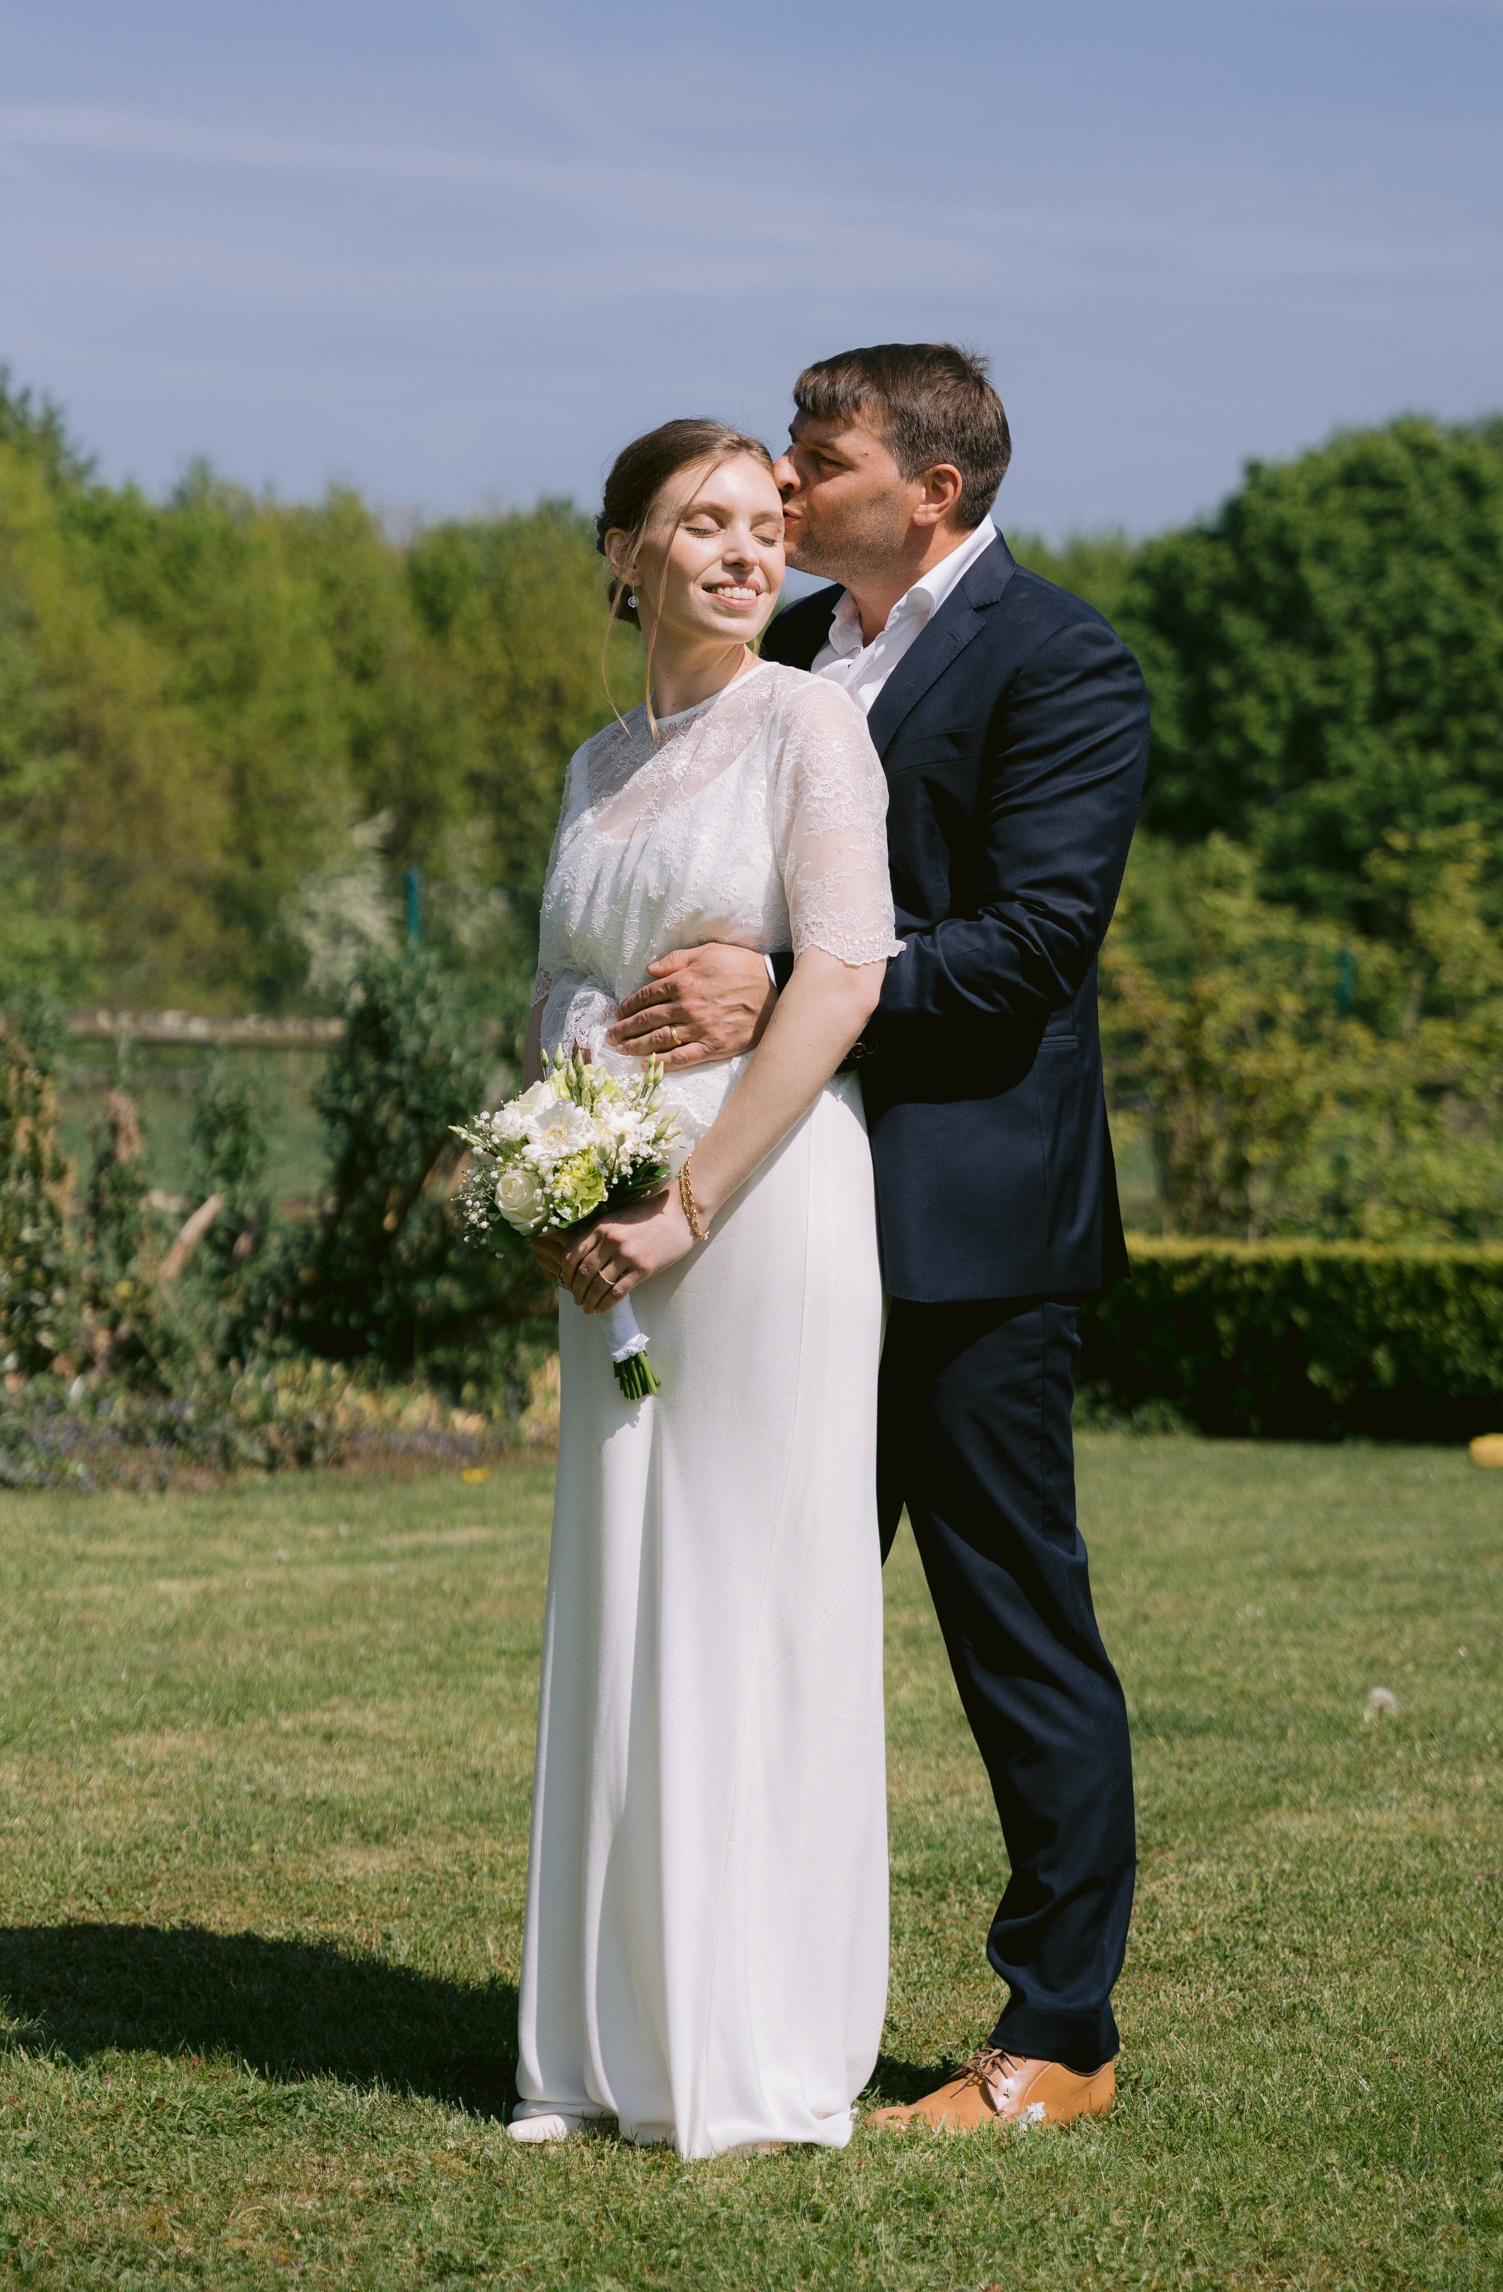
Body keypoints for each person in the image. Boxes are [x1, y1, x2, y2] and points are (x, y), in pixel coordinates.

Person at [608, 344, 1148, 2138]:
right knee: (765, 1615)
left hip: (972, 1237)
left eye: (814, 454)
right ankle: (745, 2007)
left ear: (928, 489)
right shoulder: (780, 668)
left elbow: (1029, 945)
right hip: (786, 1231)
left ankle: (1058, 2029)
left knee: (1013, 1631)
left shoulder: (1061, 661)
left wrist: (792, 990)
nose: (782, 472)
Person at [510, 418, 899, 2158]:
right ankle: (604, 2041)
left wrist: (689, 1198)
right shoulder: (598, 761)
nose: (749, 552)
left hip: (760, 1198)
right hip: (604, 1212)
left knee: (751, 1587)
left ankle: (756, 2040)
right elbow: (554, 983)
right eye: (704, 524)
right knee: (624, 1582)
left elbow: (842, 977)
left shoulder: (807, 721)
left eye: (768, 526)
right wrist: (555, 1164)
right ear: (624, 554)